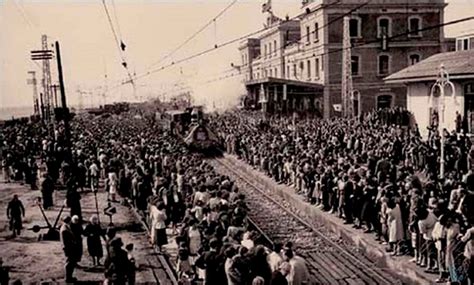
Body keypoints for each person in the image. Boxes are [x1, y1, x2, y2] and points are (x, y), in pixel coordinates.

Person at [60, 216, 77, 283]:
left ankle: (69, 277)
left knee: (71, 262)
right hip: (68, 248)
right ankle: (68, 278)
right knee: (69, 263)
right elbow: (66, 241)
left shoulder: (65, 227)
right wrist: (73, 242)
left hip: (69, 247)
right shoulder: (64, 229)